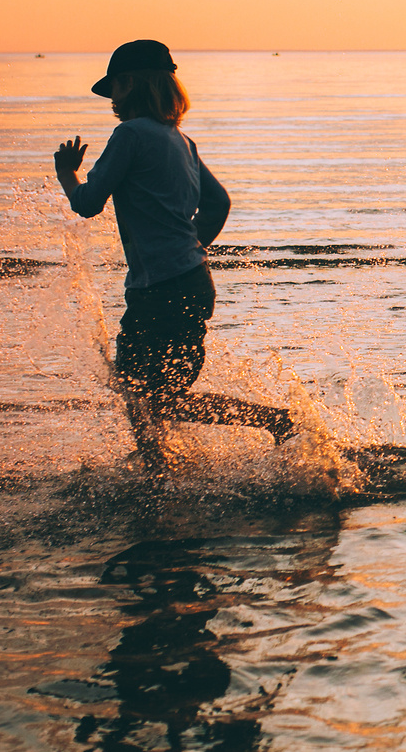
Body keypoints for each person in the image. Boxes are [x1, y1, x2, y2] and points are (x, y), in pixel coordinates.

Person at [53, 40, 293, 473]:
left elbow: (87, 203)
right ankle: (162, 463)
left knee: (139, 387)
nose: (112, 101)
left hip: (158, 288)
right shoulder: (181, 140)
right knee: (159, 393)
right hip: (192, 281)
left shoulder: (129, 134)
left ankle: (254, 428)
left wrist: (66, 174)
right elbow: (218, 204)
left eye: (116, 89)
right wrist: (189, 250)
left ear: (130, 84)